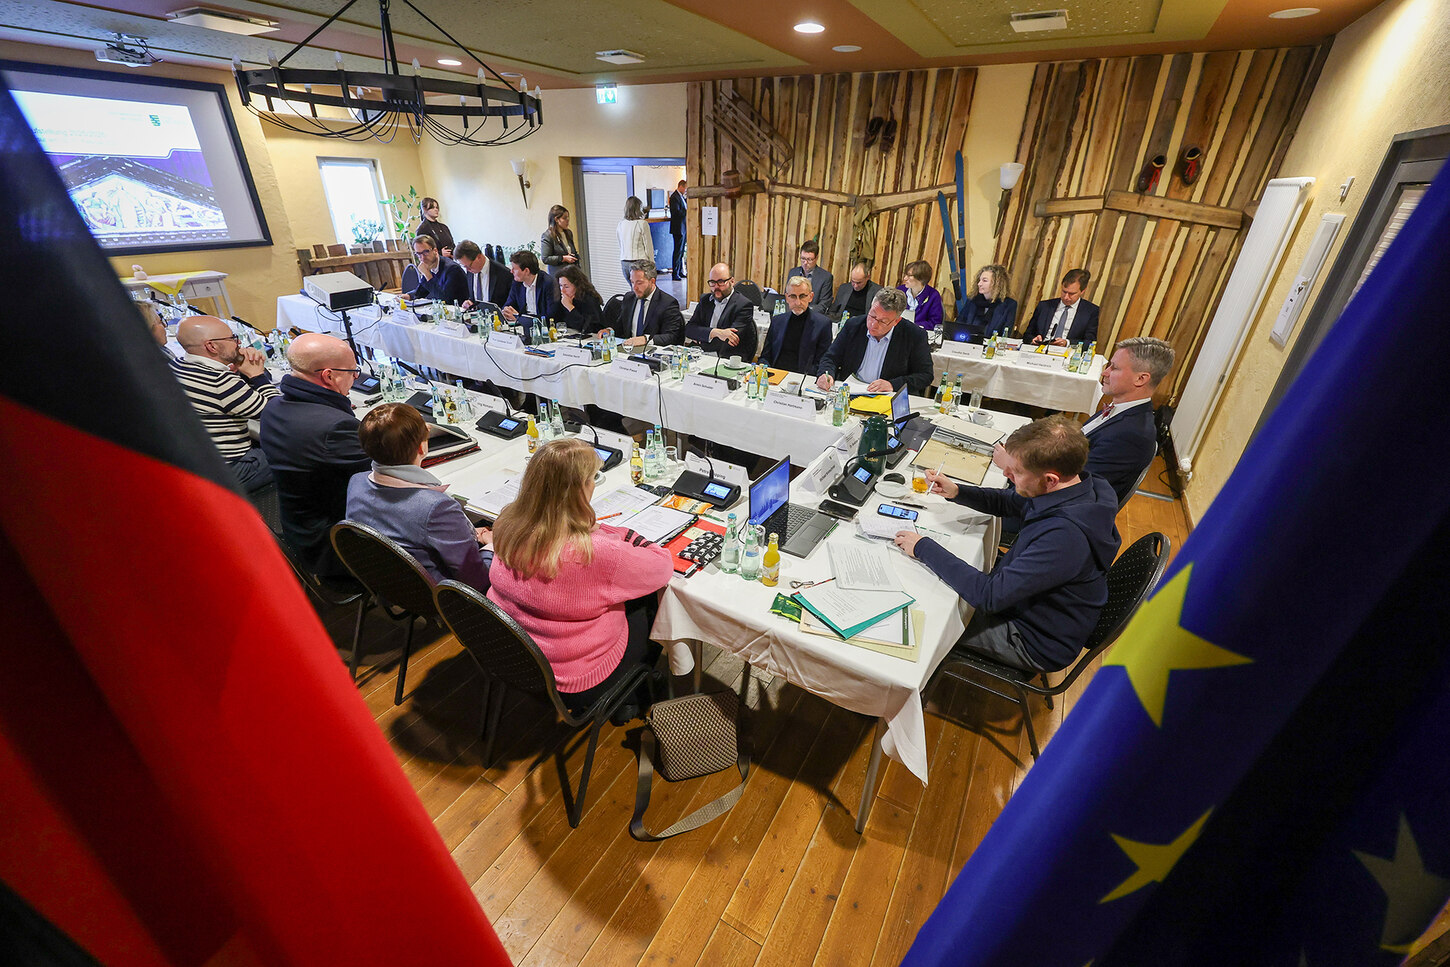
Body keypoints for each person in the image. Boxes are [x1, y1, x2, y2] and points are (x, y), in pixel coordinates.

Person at [893, 416, 1120, 674]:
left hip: (1032, 639)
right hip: (1029, 606)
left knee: (917, 613)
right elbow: (1011, 502)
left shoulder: (1066, 537)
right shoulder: (1080, 487)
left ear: (1050, 479)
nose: (1006, 475)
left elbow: (989, 597)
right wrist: (957, 491)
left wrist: (923, 547)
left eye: (1017, 472)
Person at [487, 438, 672, 720]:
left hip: (511, 655)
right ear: (579, 489)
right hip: (575, 680)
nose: (594, 484)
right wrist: (617, 532)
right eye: (592, 478)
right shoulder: (595, 552)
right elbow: (662, 567)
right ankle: (630, 696)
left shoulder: (506, 523)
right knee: (651, 600)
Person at [345, 403, 492, 592]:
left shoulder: (356, 482)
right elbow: (477, 582)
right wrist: (493, 546)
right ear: (422, 448)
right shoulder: (437, 508)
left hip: (389, 586)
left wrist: (466, 533)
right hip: (444, 597)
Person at [259, 333, 371, 577]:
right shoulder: (334, 427)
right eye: (352, 370)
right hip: (337, 545)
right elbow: (384, 471)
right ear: (329, 376)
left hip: (300, 529)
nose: (355, 376)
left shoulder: (274, 407)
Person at [170, 315, 278, 494]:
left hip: (197, 464)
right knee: (296, 449)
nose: (238, 343)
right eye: (232, 339)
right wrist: (257, 375)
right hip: (231, 471)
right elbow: (278, 414)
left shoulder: (178, 364)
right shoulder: (219, 380)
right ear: (211, 346)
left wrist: (239, 371)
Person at [1084, 336, 1174, 506]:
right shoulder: (1121, 410)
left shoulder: (1131, 435)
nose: (1105, 372)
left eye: (1114, 368)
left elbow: (1076, 486)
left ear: (1141, 379)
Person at [815, 288, 933, 395]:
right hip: (850, 392)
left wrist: (893, 384)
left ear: (896, 321)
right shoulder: (854, 325)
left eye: (882, 321)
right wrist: (827, 374)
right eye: (872, 316)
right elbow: (830, 357)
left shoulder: (914, 335)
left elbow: (925, 375)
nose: (873, 325)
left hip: (888, 396)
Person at [599, 261, 684, 348]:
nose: (634, 288)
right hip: (629, 350)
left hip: (651, 353)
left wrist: (645, 339)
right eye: (632, 282)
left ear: (652, 281)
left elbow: (671, 336)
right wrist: (610, 331)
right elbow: (621, 327)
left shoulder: (667, 303)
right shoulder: (629, 298)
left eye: (639, 283)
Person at [760, 275, 832, 375]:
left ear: (810, 297)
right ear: (787, 298)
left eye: (802, 296)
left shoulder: (822, 324)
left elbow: (822, 361)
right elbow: (765, 356)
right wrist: (764, 370)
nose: (798, 302)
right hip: (775, 375)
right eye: (793, 296)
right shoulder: (777, 321)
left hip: (803, 378)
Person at [684, 262, 757, 360]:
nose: (716, 287)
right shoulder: (706, 300)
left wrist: (701, 337)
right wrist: (716, 333)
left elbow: (730, 340)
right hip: (702, 355)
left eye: (721, 282)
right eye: (712, 282)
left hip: (727, 357)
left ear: (732, 281)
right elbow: (689, 329)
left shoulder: (743, 305)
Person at [1024, 268, 1100, 346]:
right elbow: (1027, 335)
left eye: (1071, 293)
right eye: (1064, 291)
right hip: (1040, 350)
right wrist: (1033, 339)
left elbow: (1090, 342)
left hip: (1067, 353)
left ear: (1083, 291)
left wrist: (1067, 343)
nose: (1066, 297)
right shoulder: (1044, 306)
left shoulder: (1090, 311)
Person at [962, 264, 1018, 341]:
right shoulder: (972, 300)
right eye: (979, 280)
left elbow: (1005, 334)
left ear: (997, 283)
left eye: (984, 280)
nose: (979, 284)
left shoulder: (1009, 305)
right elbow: (959, 324)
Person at [409, 234, 468, 305]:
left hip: (461, 311)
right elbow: (421, 290)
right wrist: (409, 296)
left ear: (435, 250)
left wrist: (428, 275)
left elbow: (444, 299)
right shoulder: (430, 264)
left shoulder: (452, 269)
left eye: (426, 252)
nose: (422, 258)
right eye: (418, 254)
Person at [501, 250, 557, 322]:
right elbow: (509, 304)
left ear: (526, 271)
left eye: (514, 268)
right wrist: (506, 311)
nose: (511, 271)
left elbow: (550, 317)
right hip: (521, 326)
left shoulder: (548, 283)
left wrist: (519, 318)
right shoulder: (517, 283)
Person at [454, 239, 511, 308]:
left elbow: (509, 304)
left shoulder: (503, 273)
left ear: (479, 257)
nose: (468, 270)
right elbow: (474, 298)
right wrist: (470, 302)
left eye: (469, 266)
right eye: (464, 266)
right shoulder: (470, 271)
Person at [550, 264, 604, 333]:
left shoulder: (589, 299)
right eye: (560, 286)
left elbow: (588, 328)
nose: (562, 290)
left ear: (577, 285)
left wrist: (570, 307)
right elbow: (557, 321)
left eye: (566, 287)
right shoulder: (563, 298)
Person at [785, 240, 834, 311]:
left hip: (812, 316)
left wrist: (805, 313)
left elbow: (824, 304)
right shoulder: (793, 272)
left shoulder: (825, 277)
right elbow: (787, 296)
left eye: (809, 259)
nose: (805, 262)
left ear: (816, 258)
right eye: (803, 258)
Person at [898, 260, 944, 332]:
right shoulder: (900, 290)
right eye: (905, 274)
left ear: (921, 278)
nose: (905, 278)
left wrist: (912, 326)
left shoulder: (933, 295)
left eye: (909, 276)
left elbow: (935, 323)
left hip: (919, 334)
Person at [617, 196, 653, 283]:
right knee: (643, 292)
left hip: (624, 262)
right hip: (640, 262)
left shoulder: (621, 224)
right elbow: (648, 247)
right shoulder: (642, 224)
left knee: (634, 290)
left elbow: (620, 244)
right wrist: (652, 264)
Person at [539, 204, 580, 279]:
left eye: (568, 217)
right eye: (564, 218)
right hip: (558, 275)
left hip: (572, 273)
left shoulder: (568, 233)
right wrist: (563, 258)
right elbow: (545, 258)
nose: (568, 220)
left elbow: (572, 250)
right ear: (556, 219)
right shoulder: (548, 236)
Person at [668, 179, 687, 279]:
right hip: (678, 228)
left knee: (681, 251)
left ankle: (680, 271)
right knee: (677, 251)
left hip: (683, 228)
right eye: (685, 188)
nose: (686, 190)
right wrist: (687, 212)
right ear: (681, 186)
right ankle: (675, 273)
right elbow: (676, 212)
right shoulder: (674, 197)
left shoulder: (682, 197)